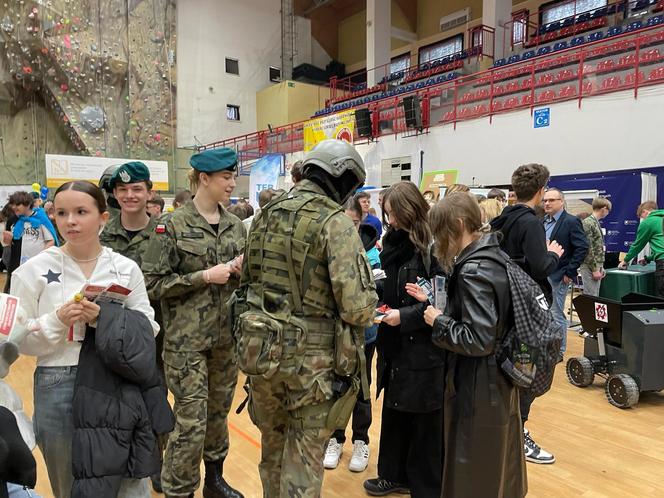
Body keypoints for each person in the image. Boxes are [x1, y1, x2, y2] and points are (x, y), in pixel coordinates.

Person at [232, 139, 377, 497]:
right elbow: (357, 308)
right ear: (343, 178)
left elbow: (247, 283)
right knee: (303, 465)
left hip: (262, 356)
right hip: (311, 368)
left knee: (273, 454)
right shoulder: (335, 223)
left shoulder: (264, 216)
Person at [10, 180, 159, 498]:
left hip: (117, 380)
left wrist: (103, 319)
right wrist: (57, 320)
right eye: (61, 213)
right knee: (70, 483)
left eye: (81, 211)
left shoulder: (124, 268)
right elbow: (19, 340)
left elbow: (148, 327)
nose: (70, 221)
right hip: (57, 381)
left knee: (130, 482)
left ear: (103, 218)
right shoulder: (32, 271)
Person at [142, 148, 246, 498]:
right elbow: (153, 284)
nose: (232, 183)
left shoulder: (235, 226)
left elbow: (243, 283)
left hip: (225, 339)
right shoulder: (171, 225)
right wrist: (202, 276)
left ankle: (214, 480)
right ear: (204, 179)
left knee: (217, 414)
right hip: (185, 343)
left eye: (232, 177)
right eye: (226, 177)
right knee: (190, 420)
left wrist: (241, 272)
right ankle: (179, 489)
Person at [424, 192, 527, 498]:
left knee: (473, 469)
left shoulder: (474, 269)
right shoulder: (496, 256)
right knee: (494, 465)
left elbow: (478, 338)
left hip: (479, 385)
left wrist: (438, 320)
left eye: (441, 231)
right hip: (499, 379)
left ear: (457, 225)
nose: (439, 241)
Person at [363, 181, 445, 498]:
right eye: (388, 215)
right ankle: (393, 474)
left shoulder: (433, 250)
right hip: (394, 344)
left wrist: (406, 316)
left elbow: (442, 302)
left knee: (423, 421)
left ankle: (423, 485)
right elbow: (389, 287)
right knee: (396, 412)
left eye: (394, 214)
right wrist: (377, 300)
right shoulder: (392, 244)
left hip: (424, 349)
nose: (391, 221)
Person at [98, 161, 166, 493]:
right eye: (122, 190)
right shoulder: (102, 235)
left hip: (161, 336)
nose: (130, 195)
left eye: (137, 189)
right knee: (120, 404)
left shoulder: (166, 232)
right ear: (114, 194)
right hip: (117, 338)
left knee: (156, 403)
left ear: (149, 193)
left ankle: (155, 462)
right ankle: (124, 461)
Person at [490, 163, 563, 465]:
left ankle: (506, 432)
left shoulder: (500, 219)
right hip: (526, 314)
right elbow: (540, 267)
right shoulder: (531, 223)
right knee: (526, 372)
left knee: (508, 371)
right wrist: (553, 255)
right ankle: (517, 435)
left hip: (503, 308)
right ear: (541, 190)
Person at [323, 197, 380, 473]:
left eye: (354, 223)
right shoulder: (327, 247)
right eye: (344, 223)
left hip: (365, 333)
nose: (349, 229)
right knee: (336, 386)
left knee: (362, 387)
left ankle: (361, 439)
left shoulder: (371, 248)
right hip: (333, 334)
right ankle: (335, 438)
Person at [542, 187, 588, 359]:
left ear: (561, 202)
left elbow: (582, 247)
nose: (547, 203)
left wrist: (570, 271)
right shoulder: (542, 222)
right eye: (545, 200)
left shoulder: (570, 221)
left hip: (559, 275)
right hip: (541, 274)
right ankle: (548, 345)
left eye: (551, 200)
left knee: (556, 313)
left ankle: (559, 350)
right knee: (544, 312)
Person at [3, 192, 58, 293]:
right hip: (17, 266)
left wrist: (40, 258)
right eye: (12, 204)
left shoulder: (40, 218)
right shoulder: (13, 221)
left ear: (28, 204)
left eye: (18, 204)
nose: (14, 207)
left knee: (36, 292)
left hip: (37, 266)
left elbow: (50, 240)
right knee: (17, 293)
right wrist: (7, 243)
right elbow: (9, 248)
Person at [619, 201, 664, 296]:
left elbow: (638, 245)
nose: (642, 220)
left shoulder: (648, 222)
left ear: (645, 212)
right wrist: (648, 259)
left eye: (642, 217)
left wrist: (625, 260)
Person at [580, 197, 612, 296]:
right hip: (590, 266)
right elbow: (588, 248)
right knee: (591, 297)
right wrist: (594, 269)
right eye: (608, 210)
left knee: (595, 296)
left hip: (595, 265)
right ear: (604, 209)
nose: (608, 213)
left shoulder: (594, 222)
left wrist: (600, 266)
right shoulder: (588, 223)